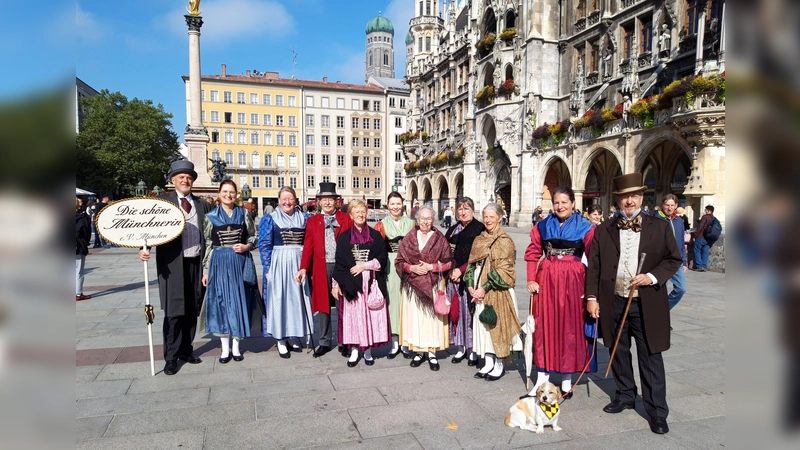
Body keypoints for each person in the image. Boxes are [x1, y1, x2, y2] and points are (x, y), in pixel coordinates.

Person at [585, 173, 682, 435]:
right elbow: (593, 266)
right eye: (624, 196)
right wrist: (591, 298)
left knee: (650, 356)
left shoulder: (659, 226)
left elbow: (674, 259)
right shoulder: (603, 229)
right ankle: (626, 395)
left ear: (641, 197)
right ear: (617, 200)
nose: (629, 200)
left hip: (646, 303)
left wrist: (651, 276)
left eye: (634, 196)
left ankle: (657, 411)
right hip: (612, 299)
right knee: (618, 350)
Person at [139, 161, 212, 375]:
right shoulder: (163, 203)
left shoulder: (201, 205)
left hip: (196, 264)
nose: (185, 180)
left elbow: (209, 233)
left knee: (192, 308)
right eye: (181, 177)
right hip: (172, 265)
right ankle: (170, 357)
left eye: (188, 177)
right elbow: (149, 230)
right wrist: (144, 248)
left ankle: (186, 350)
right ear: (173, 180)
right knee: (173, 311)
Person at [524, 187, 595, 398]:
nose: (560, 206)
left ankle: (566, 380)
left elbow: (594, 260)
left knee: (569, 327)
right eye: (556, 202)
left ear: (573, 203)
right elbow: (532, 252)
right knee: (544, 325)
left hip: (574, 282)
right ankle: (541, 379)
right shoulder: (543, 225)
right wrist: (530, 279)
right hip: (546, 280)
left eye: (564, 202)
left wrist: (591, 291)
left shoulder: (587, 227)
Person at [201, 180, 260, 363]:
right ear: (219, 193)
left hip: (239, 262)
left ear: (236, 194)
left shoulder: (243, 214)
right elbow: (208, 245)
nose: (228, 195)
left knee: (238, 303)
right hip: (219, 263)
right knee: (221, 304)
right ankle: (224, 349)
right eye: (225, 191)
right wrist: (205, 270)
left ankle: (236, 347)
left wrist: (247, 246)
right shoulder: (210, 216)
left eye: (232, 191)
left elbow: (253, 236)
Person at [295, 183, 353, 358]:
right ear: (319, 202)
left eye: (331, 199)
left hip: (341, 267)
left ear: (336, 201)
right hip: (321, 267)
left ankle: (345, 341)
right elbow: (308, 246)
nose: (328, 203)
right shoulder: (313, 221)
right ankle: (324, 341)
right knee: (323, 305)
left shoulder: (345, 218)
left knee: (343, 304)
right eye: (324, 200)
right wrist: (304, 267)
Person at [465, 203, 523, 381]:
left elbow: (506, 270)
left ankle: (499, 363)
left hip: (496, 289)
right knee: (483, 327)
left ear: (499, 217)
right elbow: (471, 264)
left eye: (492, 216)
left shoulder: (505, 241)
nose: (488, 220)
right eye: (485, 216)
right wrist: (470, 286)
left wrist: (485, 288)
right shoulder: (479, 238)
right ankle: (488, 361)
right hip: (478, 287)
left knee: (497, 327)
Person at [331, 199, 390, 367]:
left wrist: (365, 265)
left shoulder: (375, 236)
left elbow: (382, 259)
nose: (360, 215)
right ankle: (355, 350)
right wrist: (336, 285)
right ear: (350, 215)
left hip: (371, 282)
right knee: (353, 317)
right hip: (351, 283)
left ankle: (368, 350)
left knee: (369, 316)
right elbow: (339, 263)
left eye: (363, 211)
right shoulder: (343, 238)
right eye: (356, 212)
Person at [395, 206, 454, 371]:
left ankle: (432, 353)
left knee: (431, 320)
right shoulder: (409, 237)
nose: (425, 222)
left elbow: (449, 261)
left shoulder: (439, 238)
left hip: (433, 284)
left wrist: (432, 267)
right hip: (413, 287)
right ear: (417, 219)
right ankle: (418, 352)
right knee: (415, 319)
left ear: (433, 220)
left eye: (428, 218)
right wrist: (411, 268)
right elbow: (399, 261)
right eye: (422, 218)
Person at [258, 186, 313, 358]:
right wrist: (267, 269)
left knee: (296, 300)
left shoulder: (304, 218)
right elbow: (264, 245)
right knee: (279, 300)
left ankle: (294, 335)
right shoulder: (270, 219)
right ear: (278, 201)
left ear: (296, 201)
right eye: (284, 199)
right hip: (279, 263)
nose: (287, 202)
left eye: (291, 199)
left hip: (298, 262)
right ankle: (280, 339)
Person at [444, 197, 485, 365]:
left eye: (466, 209)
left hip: (470, 276)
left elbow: (477, 256)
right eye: (460, 209)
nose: (463, 212)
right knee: (457, 312)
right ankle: (461, 348)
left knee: (469, 313)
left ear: (473, 210)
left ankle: (472, 349)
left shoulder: (479, 229)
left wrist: (460, 271)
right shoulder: (453, 229)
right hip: (452, 277)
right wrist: (449, 270)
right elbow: (446, 250)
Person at [373, 192, 415, 358]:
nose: (396, 207)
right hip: (390, 265)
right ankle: (395, 341)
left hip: (408, 265)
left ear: (403, 205)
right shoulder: (381, 225)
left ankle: (406, 342)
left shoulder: (411, 223)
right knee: (392, 305)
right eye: (392, 204)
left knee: (407, 303)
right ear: (387, 205)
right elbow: (377, 249)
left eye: (398, 203)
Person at [655, 195, 688, 309]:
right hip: (660, 261)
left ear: (676, 206)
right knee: (660, 291)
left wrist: (684, 261)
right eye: (667, 205)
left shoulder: (679, 221)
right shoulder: (655, 220)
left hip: (676, 260)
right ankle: (660, 319)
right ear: (662, 205)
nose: (669, 208)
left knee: (681, 288)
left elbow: (681, 241)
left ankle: (662, 311)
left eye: (672, 205)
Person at [692, 205, 718, 272]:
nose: (705, 211)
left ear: (708, 210)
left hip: (701, 237)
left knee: (696, 250)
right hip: (709, 238)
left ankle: (699, 265)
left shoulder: (705, 217)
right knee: (705, 251)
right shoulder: (714, 218)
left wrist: (695, 236)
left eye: (706, 209)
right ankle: (704, 265)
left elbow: (700, 227)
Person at [76, 198, 92, 301]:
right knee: (78, 270)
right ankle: (78, 293)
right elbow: (86, 232)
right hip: (78, 245)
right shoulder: (82, 218)